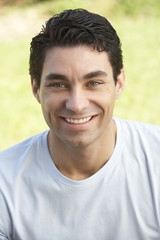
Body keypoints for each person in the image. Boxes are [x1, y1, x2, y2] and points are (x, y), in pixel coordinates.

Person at [0, 8, 160, 240]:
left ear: (119, 83)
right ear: (36, 88)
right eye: (58, 84)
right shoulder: (5, 183)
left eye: (93, 83)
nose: (76, 104)